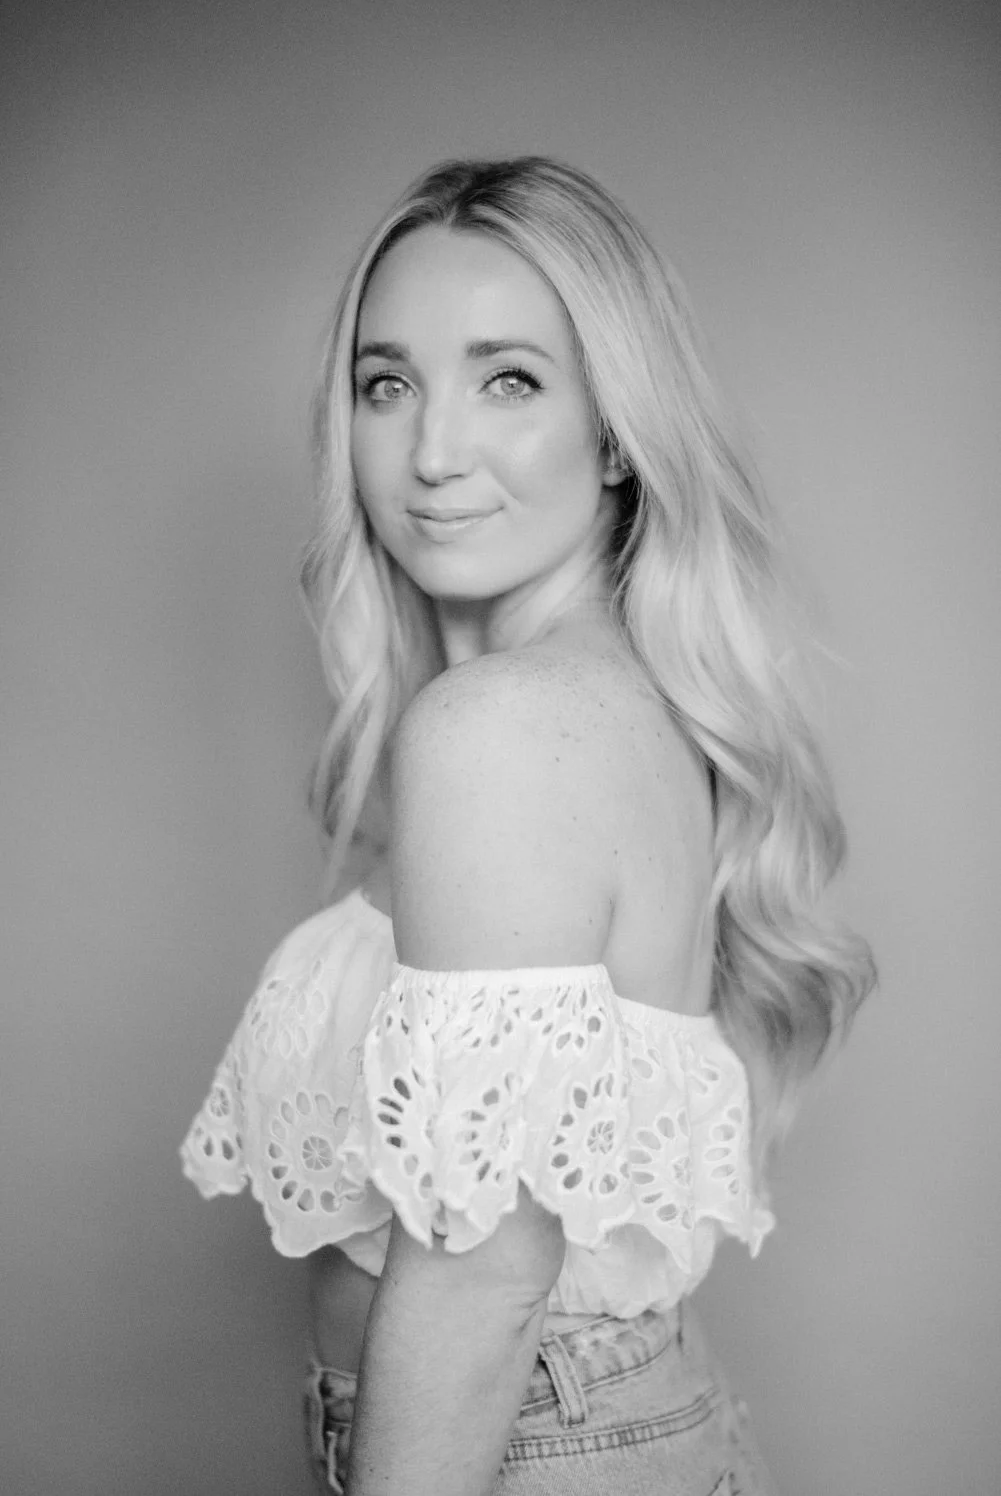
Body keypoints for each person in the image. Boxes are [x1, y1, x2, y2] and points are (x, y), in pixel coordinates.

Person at [181, 156, 876, 1495]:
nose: (433, 452)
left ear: (617, 430)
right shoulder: (616, 706)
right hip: (599, 1425)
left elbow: (489, 1271)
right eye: (389, 384)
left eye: (510, 378)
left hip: (524, 1449)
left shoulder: (500, 730)